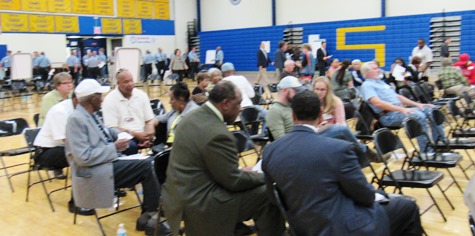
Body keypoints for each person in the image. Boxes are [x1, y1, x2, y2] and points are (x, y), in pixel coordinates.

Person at [262, 90, 422, 235]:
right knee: (407, 207)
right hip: (343, 229)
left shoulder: (270, 151)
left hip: (301, 228)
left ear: (292, 116)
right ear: (320, 114)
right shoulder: (339, 149)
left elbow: (274, 198)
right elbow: (365, 196)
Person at [163, 81, 284, 235]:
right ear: (225, 104)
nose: (240, 109)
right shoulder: (219, 134)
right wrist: (265, 177)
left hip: (178, 196)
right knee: (267, 192)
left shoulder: (190, 117)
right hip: (201, 203)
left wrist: (239, 171)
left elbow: (205, 164)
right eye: (238, 104)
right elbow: (234, 182)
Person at [64, 79, 163, 232]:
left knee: (150, 162)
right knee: (147, 166)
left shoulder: (91, 115)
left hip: (107, 163)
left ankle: (150, 212)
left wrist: (125, 135)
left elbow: (107, 131)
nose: (103, 99)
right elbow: (83, 158)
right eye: (100, 96)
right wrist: (114, 147)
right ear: (92, 99)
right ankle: (151, 213)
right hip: (94, 172)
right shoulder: (76, 119)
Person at [360, 61, 444, 152]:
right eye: (375, 69)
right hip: (388, 116)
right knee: (418, 116)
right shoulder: (367, 85)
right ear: (367, 72)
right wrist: (401, 109)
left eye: (378, 68)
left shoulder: (381, 83)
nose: (379, 70)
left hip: (398, 111)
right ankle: (427, 151)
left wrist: (418, 104)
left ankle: (440, 142)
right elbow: (377, 103)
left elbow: (398, 97)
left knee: (431, 109)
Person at [102, 68, 155, 155]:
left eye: (131, 80)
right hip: (124, 137)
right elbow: (112, 127)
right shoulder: (109, 100)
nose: (130, 84)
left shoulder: (141, 95)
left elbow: (149, 120)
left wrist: (148, 135)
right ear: (118, 84)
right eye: (126, 82)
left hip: (142, 134)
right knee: (131, 146)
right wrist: (135, 135)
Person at [222, 62, 267, 135]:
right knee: (267, 115)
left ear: (223, 73)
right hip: (250, 110)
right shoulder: (242, 78)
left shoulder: (222, 83)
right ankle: (261, 136)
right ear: (233, 70)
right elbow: (252, 95)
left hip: (235, 114)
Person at [154, 82, 199, 152]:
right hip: (168, 148)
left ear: (181, 100)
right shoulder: (175, 110)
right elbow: (160, 118)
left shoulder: (194, 113)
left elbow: (191, 140)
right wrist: (150, 125)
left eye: (172, 99)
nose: (169, 102)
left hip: (184, 151)